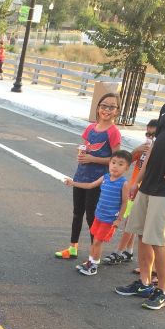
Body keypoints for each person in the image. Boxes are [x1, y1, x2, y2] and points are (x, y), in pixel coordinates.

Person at [114, 47, 165, 310]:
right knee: (142, 235)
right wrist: (137, 181)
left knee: (158, 239)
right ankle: (144, 281)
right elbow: (154, 148)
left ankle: (162, 290)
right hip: (150, 182)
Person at [54, 92, 121, 260]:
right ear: (98, 108)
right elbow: (85, 148)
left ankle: (93, 254)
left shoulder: (113, 132)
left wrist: (93, 159)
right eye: (103, 106)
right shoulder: (90, 128)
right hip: (81, 176)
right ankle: (73, 248)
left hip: (98, 180)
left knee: (92, 216)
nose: (106, 110)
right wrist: (83, 156)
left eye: (111, 107)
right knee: (77, 213)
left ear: (117, 111)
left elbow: (116, 161)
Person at [63, 149, 132, 276]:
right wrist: (72, 183)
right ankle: (91, 261)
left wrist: (118, 219)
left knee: (97, 242)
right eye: (113, 162)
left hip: (109, 219)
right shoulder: (105, 177)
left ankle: (93, 265)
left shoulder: (124, 183)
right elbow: (90, 185)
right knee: (95, 239)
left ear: (127, 168)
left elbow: (124, 202)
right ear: (109, 164)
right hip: (98, 216)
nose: (115, 166)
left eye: (120, 164)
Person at [103, 120, 158, 266]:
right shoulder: (144, 149)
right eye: (148, 134)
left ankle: (118, 252)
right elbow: (126, 161)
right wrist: (136, 150)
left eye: (154, 134)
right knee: (132, 221)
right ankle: (129, 251)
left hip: (143, 190)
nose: (150, 138)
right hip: (133, 189)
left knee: (130, 223)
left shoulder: (159, 151)